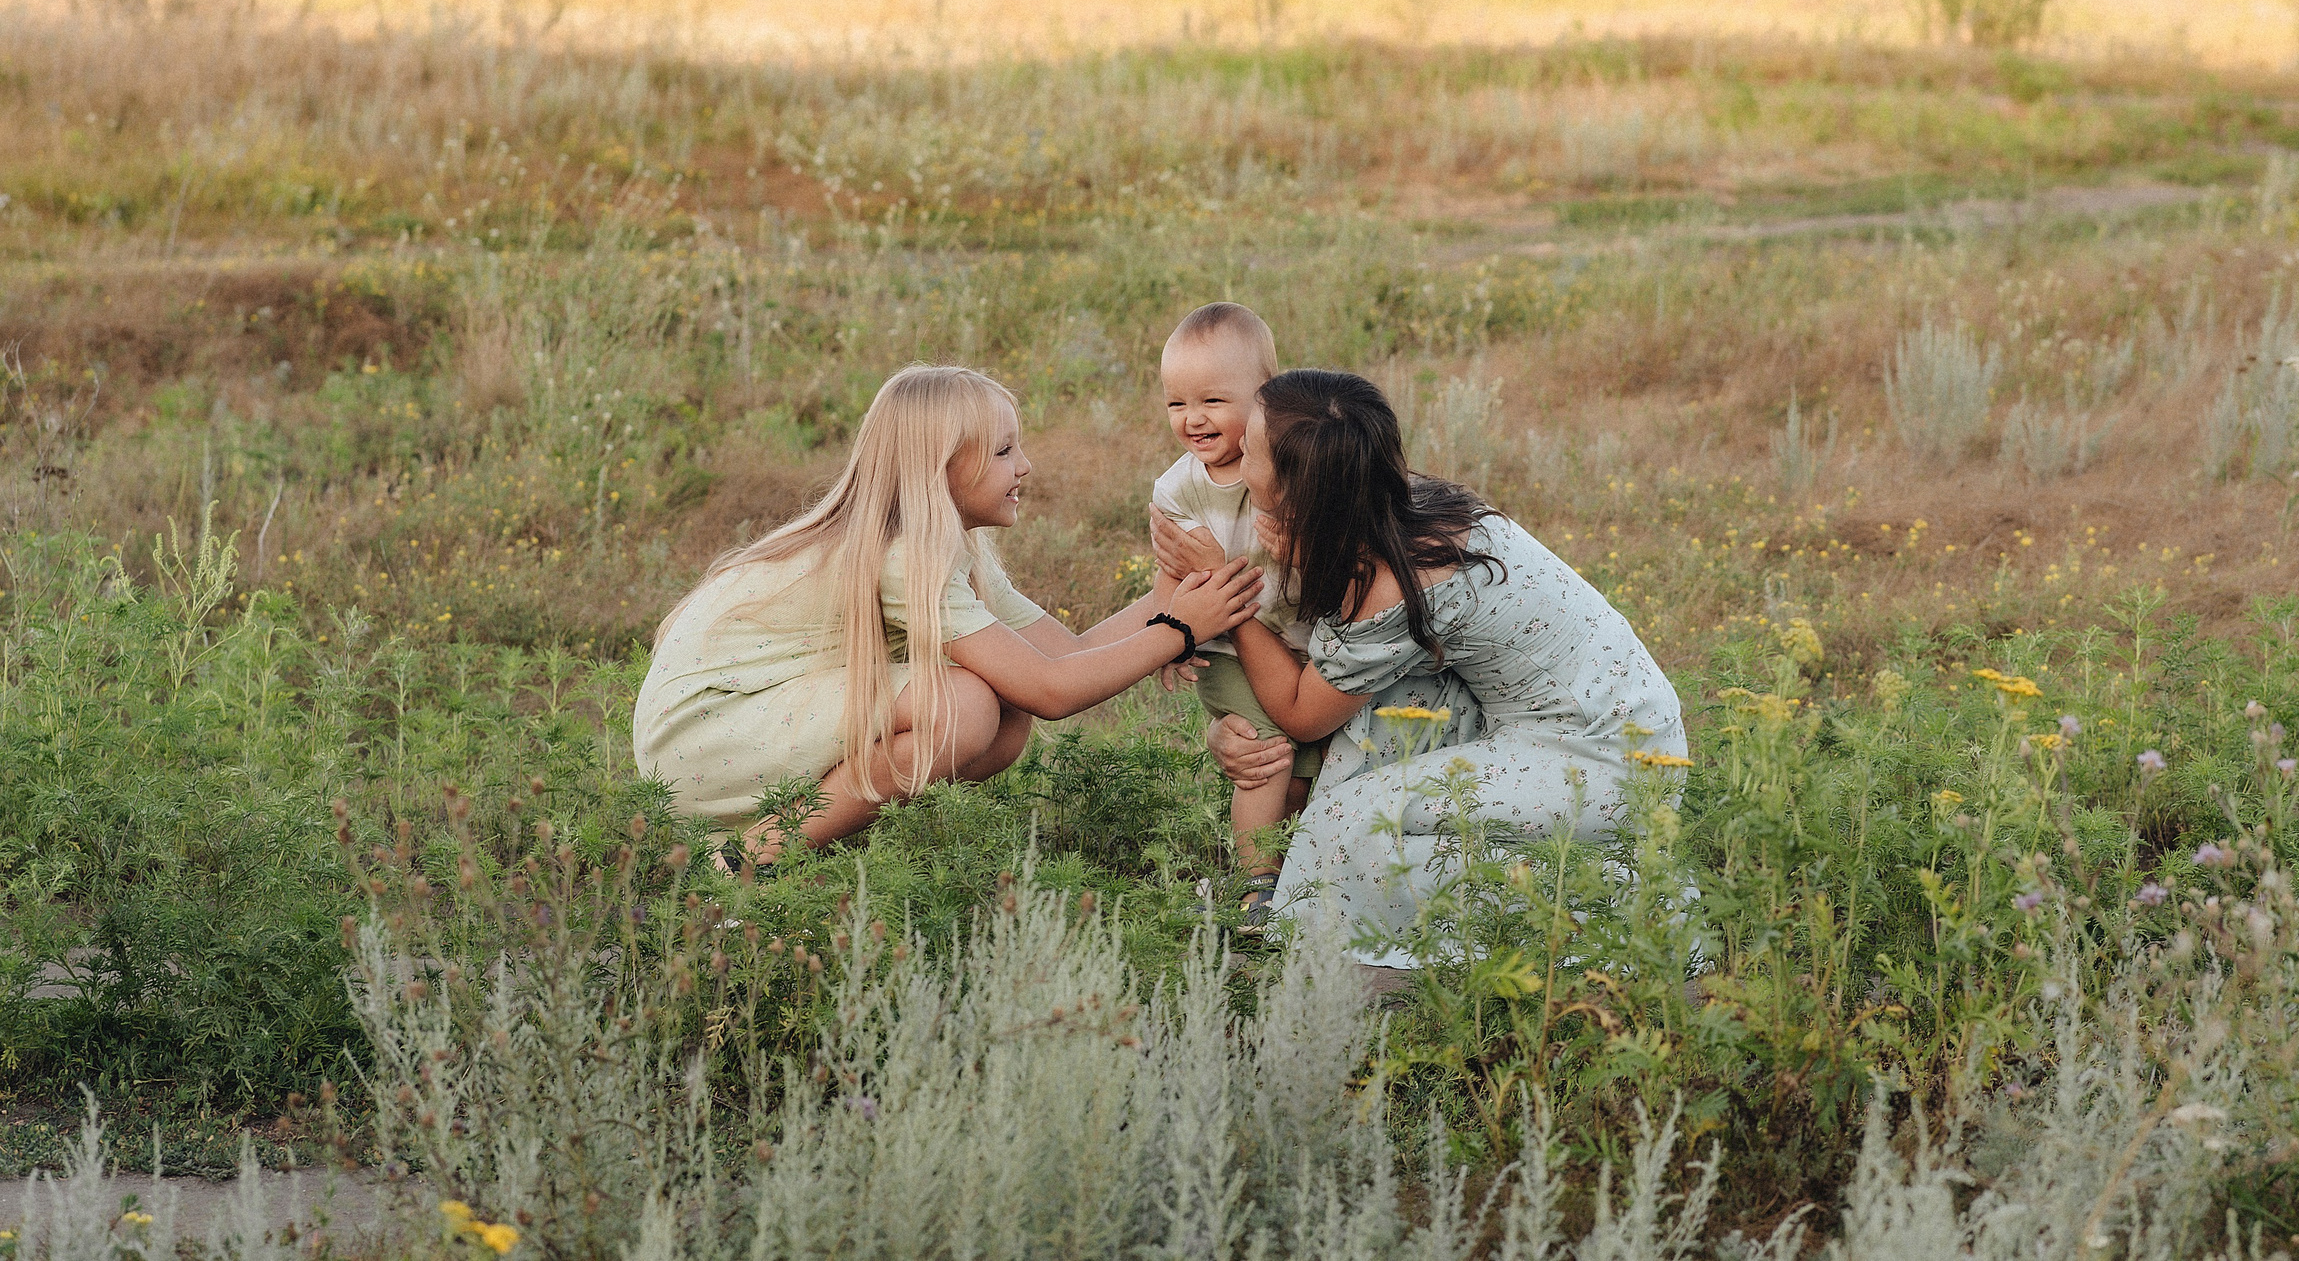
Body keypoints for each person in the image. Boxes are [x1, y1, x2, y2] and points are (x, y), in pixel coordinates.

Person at [634, 363, 1262, 864]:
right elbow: (1052, 690)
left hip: (744, 718)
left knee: (999, 709)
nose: (1025, 466)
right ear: (940, 469)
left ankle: (796, 839)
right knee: (965, 706)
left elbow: (1062, 654)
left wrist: (1182, 585)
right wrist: (1181, 629)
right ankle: (746, 860)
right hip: (702, 731)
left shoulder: (949, 547)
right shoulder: (904, 558)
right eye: (1003, 451)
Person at [1178, 368, 1687, 966]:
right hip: (1590, 713)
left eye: (1252, 448)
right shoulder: (1394, 509)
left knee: (1345, 827)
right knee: (1370, 724)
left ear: (1296, 489)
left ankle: (1620, 906)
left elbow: (1300, 713)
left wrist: (1224, 597)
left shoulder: (1396, 579)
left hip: (1606, 753)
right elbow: (1326, 672)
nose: (1237, 447)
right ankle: (1304, 898)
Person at [1147, 302, 1319, 923]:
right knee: (1265, 753)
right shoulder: (1180, 487)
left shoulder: (1292, 469)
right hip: (1226, 648)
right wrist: (1174, 633)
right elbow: (1171, 566)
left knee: (1309, 768)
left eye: (1213, 402)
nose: (1192, 419)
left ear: (1266, 399)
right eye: (1176, 404)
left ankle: (1299, 861)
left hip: (1300, 641)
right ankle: (1256, 883)